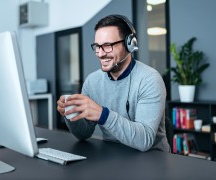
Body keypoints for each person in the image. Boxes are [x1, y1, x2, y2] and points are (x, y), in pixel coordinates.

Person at [57, 14, 169, 152]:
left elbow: (144, 141)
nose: (100, 53)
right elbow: (83, 133)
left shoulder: (150, 79)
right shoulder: (92, 81)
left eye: (107, 45)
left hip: (152, 160)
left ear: (129, 44)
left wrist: (103, 115)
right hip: (112, 156)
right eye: (97, 46)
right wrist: (71, 114)